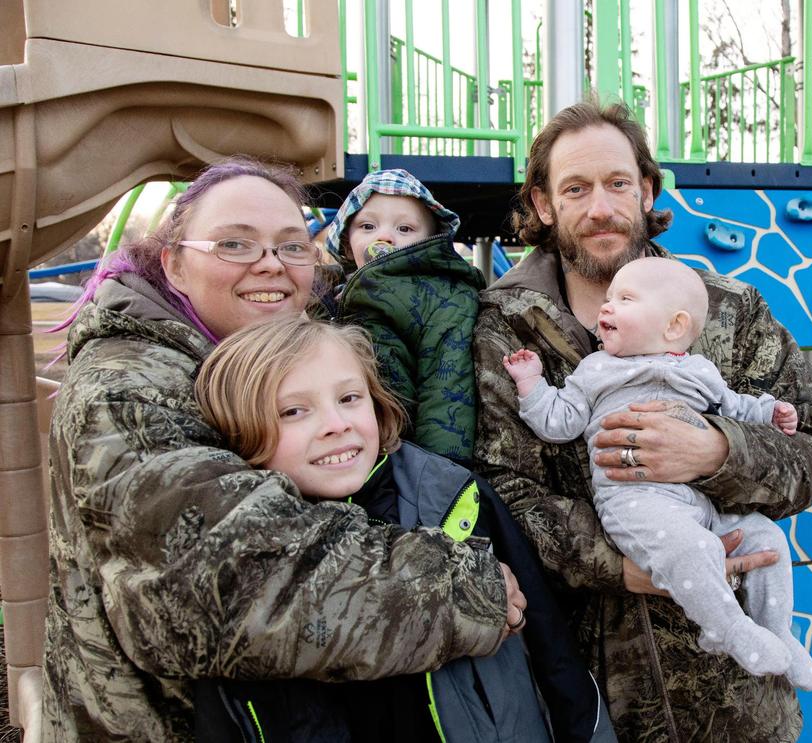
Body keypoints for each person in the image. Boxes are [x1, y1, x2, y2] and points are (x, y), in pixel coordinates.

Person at [41, 157, 518, 741]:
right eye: (235, 244)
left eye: (293, 246)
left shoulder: (280, 352)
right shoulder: (126, 388)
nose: (271, 264)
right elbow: (226, 581)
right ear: (174, 264)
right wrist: (463, 585)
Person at [473, 99, 812, 741]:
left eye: (618, 183)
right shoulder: (506, 324)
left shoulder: (727, 308)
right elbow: (498, 487)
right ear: (543, 204)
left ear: (646, 190)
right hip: (577, 684)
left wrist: (716, 453)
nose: (600, 208)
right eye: (575, 188)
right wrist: (621, 565)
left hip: (733, 702)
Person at [191, 316, 614, 741]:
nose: (337, 424)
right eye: (294, 411)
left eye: (350, 398)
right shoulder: (233, 553)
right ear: (239, 429)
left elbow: (551, 645)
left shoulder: (452, 494)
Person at [503, 257, 812, 689]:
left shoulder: (699, 370)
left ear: (674, 327)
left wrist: (770, 412)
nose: (607, 308)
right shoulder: (597, 369)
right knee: (689, 547)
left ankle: (778, 630)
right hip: (635, 501)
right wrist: (532, 384)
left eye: (625, 299)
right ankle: (726, 628)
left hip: (699, 499)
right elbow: (560, 421)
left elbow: (735, 405)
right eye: (608, 299)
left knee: (767, 539)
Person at [325, 168, 483, 463]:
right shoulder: (332, 296)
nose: (384, 236)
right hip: (342, 444)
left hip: (406, 454)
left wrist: (438, 474)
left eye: (405, 229)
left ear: (429, 242)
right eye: (368, 227)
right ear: (347, 242)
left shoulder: (444, 298)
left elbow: (447, 394)